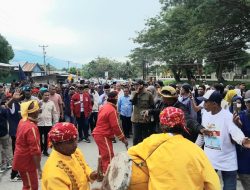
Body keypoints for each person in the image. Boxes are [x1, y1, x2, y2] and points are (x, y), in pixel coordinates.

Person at [128, 107, 221, 190]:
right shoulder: (196, 150)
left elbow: (129, 157)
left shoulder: (151, 142)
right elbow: (213, 183)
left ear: (161, 124)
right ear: (183, 124)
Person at [197, 90, 250, 190]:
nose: (203, 104)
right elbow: (202, 134)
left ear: (214, 104)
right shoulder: (205, 115)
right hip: (209, 160)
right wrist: (195, 147)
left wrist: (243, 140)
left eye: (206, 102)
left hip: (227, 162)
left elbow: (235, 132)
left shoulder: (228, 116)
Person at [42, 122, 99, 190]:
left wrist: (91, 174)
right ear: (56, 144)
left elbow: (84, 166)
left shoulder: (75, 152)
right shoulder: (53, 173)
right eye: (70, 142)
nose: (75, 144)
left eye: (75, 139)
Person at [93, 91, 128, 174]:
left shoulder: (104, 107)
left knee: (103, 155)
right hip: (103, 135)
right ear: (115, 99)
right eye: (117, 98)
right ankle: (107, 179)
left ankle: (100, 174)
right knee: (108, 157)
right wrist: (123, 138)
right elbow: (115, 126)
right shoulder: (111, 109)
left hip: (99, 134)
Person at [12, 100, 41, 190]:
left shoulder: (22, 121)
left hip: (20, 159)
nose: (39, 110)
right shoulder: (31, 127)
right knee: (32, 187)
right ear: (34, 112)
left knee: (26, 185)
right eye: (37, 109)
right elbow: (35, 150)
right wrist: (39, 168)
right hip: (27, 162)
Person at [233, 90, 250, 190]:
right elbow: (234, 136)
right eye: (248, 102)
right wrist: (237, 125)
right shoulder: (240, 116)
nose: (249, 104)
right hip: (245, 161)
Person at [130, 79, 154, 145]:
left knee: (144, 138)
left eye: (137, 85)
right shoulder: (133, 93)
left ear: (142, 85)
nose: (135, 86)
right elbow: (132, 102)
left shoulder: (149, 94)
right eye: (134, 85)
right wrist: (136, 93)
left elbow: (152, 106)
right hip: (136, 119)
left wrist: (148, 111)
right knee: (135, 138)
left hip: (144, 120)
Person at [38, 89, 58, 156]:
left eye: (48, 95)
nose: (47, 96)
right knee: (39, 138)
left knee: (47, 138)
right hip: (39, 123)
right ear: (42, 96)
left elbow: (54, 113)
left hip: (48, 123)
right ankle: (41, 149)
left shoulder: (51, 103)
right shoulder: (38, 103)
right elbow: (35, 112)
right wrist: (38, 107)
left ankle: (45, 151)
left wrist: (55, 123)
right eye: (45, 95)